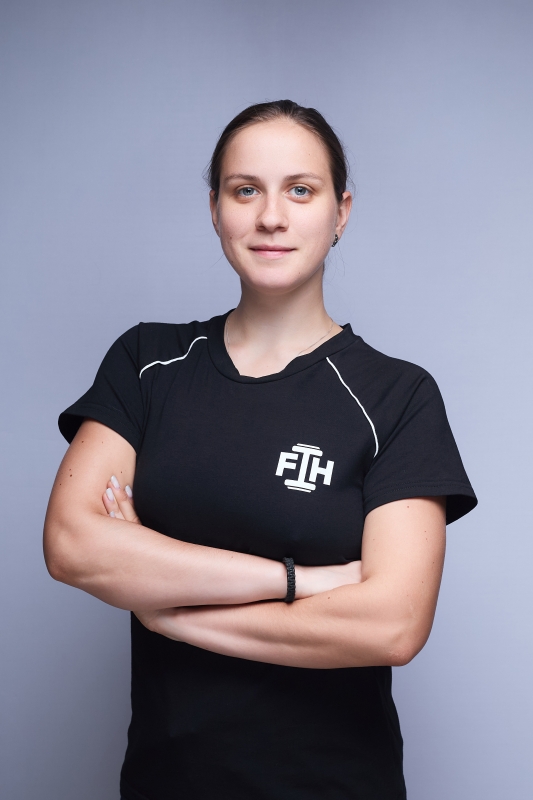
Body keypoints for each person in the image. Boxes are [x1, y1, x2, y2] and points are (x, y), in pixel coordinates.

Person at [44, 100, 477, 800]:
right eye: (245, 190)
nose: (270, 217)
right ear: (215, 209)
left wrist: (169, 613)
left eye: (299, 190)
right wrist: (300, 581)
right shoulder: (148, 364)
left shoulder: (397, 397)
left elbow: (393, 624)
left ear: (340, 212)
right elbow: (72, 545)